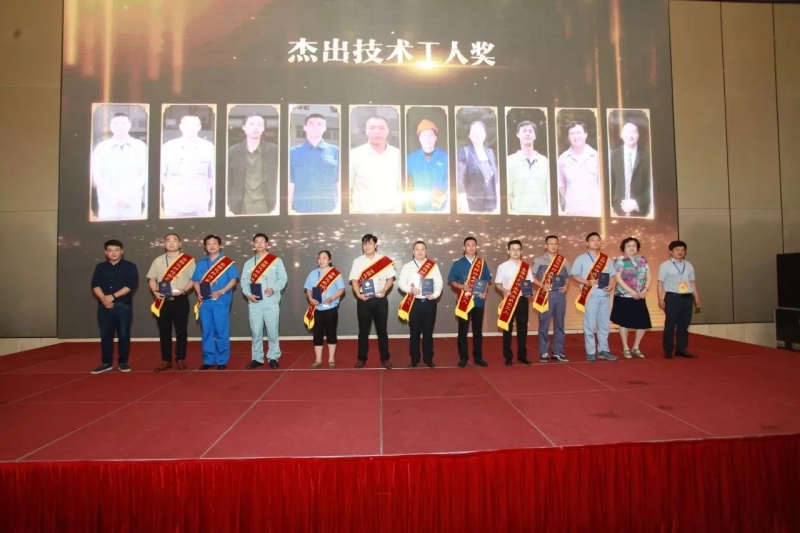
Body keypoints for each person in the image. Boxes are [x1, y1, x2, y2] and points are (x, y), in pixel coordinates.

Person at [146, 233, 196, 372]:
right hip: (163, 300)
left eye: (175, 240)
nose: (171, 243)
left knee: (181, 331)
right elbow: (151, 279)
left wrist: (184, 290)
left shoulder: (188, 260)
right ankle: (166, 360)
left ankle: (180, 359)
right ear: (164, 244)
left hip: (180, 300)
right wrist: (155, 291)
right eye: (168, 240)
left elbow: (194, 279)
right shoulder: (158, 260)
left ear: (180, 244)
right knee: (164, 331)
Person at [90, 239, 139, 373]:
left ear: (122, 251)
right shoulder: (100, 267)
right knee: (105, 334)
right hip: (104, 306)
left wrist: (113, 296)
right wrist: (103, 299)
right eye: (110, 250)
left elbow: (130, 285)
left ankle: (123, 362)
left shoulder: (130, 266)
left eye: (116, 250)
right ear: (105, 252)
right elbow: (95, 285)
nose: (113, 253)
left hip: (123, 306)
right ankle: (106, 362)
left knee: (123, 334)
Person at [349, 234, 396, 368]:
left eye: (369, 243)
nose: (367, 246)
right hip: (364, 300)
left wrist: (384, 290)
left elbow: (390, 279)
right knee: (363, 331)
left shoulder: (383, 260)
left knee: (382, 330)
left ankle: (385, 358)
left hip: (380, 299)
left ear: (376, 245)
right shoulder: (358, 261)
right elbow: (354, 280)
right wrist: (358, 294)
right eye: (364, 244)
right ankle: (361, 358)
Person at [191, 235, 239, 369]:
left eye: (214, 243)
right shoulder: (201, 263)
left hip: (221, 301)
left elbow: (233, 280)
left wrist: (222, 291)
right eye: (209, 244)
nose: (212, 246)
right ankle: (208, 360)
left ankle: (222, 360)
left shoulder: (227, 262)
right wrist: (198, 293)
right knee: (207, 331)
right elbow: (196, 281)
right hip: (205, 303)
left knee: (221, 331)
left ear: (220, 245)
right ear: (205, 247)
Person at [241, 233, 288, 369]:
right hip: (254, 302)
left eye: (262, 241)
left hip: (271, 301)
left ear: (267, 244)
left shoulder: (276, 261)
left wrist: (274, 289)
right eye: (257, 241)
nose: (260, 244)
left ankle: (273, 356)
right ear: (253, 245)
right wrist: (248, 294)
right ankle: (257, 357)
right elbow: (244, 281)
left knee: (272, 330)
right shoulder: (249, 263)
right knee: (256, 331)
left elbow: (283, 278)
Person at [91, 112, 148, 221]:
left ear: (130, 125)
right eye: (116, 123)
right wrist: (112, 196)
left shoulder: (140, 147)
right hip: (108, 202)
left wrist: (128, 196)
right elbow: (96, 174)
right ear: (110, 126)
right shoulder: (102, 147)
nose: (120, 126)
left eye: (123, 123)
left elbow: (145, 174)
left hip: (132, 202)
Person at [571, 232, 618, 361]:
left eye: (598, 240)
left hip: (604, 295)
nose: (596, 242)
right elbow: (574, 275)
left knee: (604, 324)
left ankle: (604, 350)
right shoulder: (581, 258)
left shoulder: (606, 259)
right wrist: (587, 282)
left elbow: (612, 276)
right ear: (587, 243)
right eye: (592, 240)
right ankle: (591, 352)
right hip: (590, 296)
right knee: (590, 325)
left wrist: (612, 285)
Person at [397, 240, 444, 368]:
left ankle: (428, 359)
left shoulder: (433, 266)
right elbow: (401, 284)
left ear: (426, 251)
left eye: (422, 249)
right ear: (413, 252)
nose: (420, 252)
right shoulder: (407, 266)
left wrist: (434, 295)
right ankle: (414, 359)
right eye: (417, 249)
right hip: (414, 302)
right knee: (414, 332)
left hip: (429, 302)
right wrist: (410, 289)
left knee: (428, 332)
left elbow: (439, 283)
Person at [448, 236, 492, 367]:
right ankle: (463, 357)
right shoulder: (457, 264)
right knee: (463, 330)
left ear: (476, 247)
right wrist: (461, 286)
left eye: (473, 245)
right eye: (468, 245)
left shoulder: (482, 263)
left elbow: (486, 280)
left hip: (478, 301)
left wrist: (484, 291)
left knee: (478, 331)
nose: (471, 247)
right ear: (464, 247)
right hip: (464, 301)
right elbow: (451, 281)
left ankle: (478, 357)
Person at [161, 114, 215, 218]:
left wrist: (204, 192)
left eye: (194, 125)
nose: (191, 127)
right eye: (187, 124)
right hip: (173, 205)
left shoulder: (209, 147)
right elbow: (161, 174)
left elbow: (212, 176)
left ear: (199, 127)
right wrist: (170, 190)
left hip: (199, 205)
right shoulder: (168, 147)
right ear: (181, 126)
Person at [227, 114, 279, 215]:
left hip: (267, 205)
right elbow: (228, 180)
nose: (256, 127)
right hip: (240, 206)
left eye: (260, 125)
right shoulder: (233, 151)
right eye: (252, 124)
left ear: (263, 128)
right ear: (244, 127)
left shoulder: (274, 151)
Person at [289, 113, 340, 214]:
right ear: (304, 127)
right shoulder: (292, 152)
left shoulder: (335, 152)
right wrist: (289, 210)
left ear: (325, 128)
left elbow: (339, 183)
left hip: (329, 210)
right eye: (311, 124)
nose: (315, 127)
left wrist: (340, 209)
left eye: (319, 124)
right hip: (300, 210)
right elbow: (290, 184)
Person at [658, 240, 701, 359]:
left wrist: (696, 297)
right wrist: (660, 299)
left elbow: (692, 282)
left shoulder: (688, 265)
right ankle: (668, 350)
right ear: (670, 252)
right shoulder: (665, 265)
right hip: (672, 297)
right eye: (677, 250)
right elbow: (660, 283)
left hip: (687, 298)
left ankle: (681, 349)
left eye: (682, 250)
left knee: (684, 325)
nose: (680, 252)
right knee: (670, 325)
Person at [610, 237, 653, 358]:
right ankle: (625, 347)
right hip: (624, 295)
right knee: (624, 322)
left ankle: (636, 347)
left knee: (642, 322)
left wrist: (645, 290)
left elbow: (649, 276)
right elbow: (617, 278)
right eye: (628, 246)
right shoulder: (620, 260)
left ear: (637, 248)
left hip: (640, 295)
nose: (631, 248)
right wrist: (631, 291)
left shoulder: (642, 259)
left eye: (634, 245)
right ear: (623, 248)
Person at [350, 116, 402, 213]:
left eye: (381, 128)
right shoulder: (354, 155)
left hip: (392, 215)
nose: (377, 132)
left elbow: (402, 187)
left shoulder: (398, 155)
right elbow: (346, 187)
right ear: (366, 131)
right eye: (372, 128)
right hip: (361, 215)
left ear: (387, 131)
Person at [304, 250, 346, 369]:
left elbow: (341, 289)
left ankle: (331, 359)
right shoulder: (313, 273)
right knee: (317, 334)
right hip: (316, 308)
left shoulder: (335, 274)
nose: (321, 260)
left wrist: (332, 298)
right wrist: (310, 299)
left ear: (329, 260)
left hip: (330, 308)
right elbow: (308, 289)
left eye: (324, 258)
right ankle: (318, 359)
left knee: (331, 333)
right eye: (319, 258)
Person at [532, 235, 571, 363]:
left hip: (560, 295)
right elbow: (532, 277)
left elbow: (568, 277)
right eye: (550, 243)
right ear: (545, 245)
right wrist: (542, 285)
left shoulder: (563, 261)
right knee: (544, 323)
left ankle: (558, 352)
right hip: (545, 295)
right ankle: (544, 351)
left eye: (556, 243)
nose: (553, 246)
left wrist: (566, 286)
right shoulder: (539, 260)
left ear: (558, 245)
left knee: (560, 324)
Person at [495, 240, 534, 366]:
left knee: (523, 329)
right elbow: (497, 283)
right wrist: (504, 290)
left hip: (522, 300)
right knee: (507, 330)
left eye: (518, 249)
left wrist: (529, 292)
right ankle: (508, 356)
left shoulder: (526, 267)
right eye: (513, 249)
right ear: (508, 251)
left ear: (521, 251)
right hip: (509, 300)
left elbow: (529, 283)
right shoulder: (502, 266)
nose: (515, 252)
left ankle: (522, 356)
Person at [557, 121, 601, 217]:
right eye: (572, 133)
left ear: (585, 134)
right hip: (572, 212)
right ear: (568, 137)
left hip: (594, 213)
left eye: (578, 133)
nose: (576, 136)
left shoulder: (597, 157)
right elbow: (561, 186)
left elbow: (602, 185)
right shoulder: (563, 159)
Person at [507, 121, 550, 215]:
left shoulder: (544, 161)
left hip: (542, 214)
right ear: (517, 134)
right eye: (524, 131)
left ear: (535, 136)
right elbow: (507, 192)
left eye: (531, 131)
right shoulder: (509, 161)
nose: (527, 134)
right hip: (518, 214)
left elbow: (548, 191)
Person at [456, 121, 499, 213]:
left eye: (480, 130)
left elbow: (495, 181)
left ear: (485, 134)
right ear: (469, 135)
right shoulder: (464, 152)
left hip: (492, 206)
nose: (477, 133)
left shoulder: (491, 153)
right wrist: (465, 208)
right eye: (474, 131)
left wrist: (498, 206)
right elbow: (460, 183)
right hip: (473, 207)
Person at [406, 119, 449, 213]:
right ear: (419, 138)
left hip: (442, 210)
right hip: (418, 210)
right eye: (424, 135)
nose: (427, 139)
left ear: (435, 138)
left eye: (431, 135)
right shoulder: (410, 159)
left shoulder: (447, 158)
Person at [610, 122, 652, 217]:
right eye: (627, 131)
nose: (630, 135)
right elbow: (609, 184)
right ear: (621, 134)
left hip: (641, 212)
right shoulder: (613, 155)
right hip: (616, 212)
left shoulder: (648, 156)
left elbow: (652, 186)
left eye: (633, 132)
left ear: (638, 135)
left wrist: (637, 203)